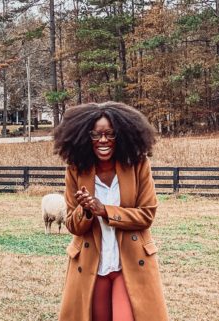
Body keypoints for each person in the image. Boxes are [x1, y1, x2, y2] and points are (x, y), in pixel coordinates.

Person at [54, 102, 168, 321]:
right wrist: (86, 211)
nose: (103, 140)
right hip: (92, 265)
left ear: (122, 135)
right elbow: (72, 225)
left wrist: (104, 210)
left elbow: (146, 215)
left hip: (130, 264)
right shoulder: (76, 169)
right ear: (85, 138)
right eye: (96, 135)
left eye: (110, 134)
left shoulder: (138, 165)